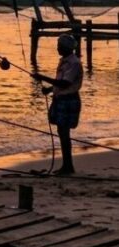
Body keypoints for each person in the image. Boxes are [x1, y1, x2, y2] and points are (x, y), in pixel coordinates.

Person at [35, 34, 83, 176]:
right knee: (62, 132)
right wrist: (49, 89)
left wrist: (42, 77)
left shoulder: (74, 63)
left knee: (64, 133)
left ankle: (68, 166)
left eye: (59, 46)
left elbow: (65, 84)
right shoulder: (64, 61)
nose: (57, 48)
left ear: (66, 48)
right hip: (61, 99)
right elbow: (61, 82)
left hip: (68, 100)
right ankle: (66, 165)